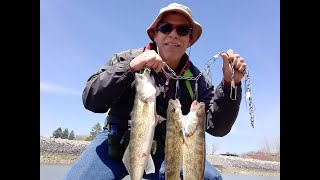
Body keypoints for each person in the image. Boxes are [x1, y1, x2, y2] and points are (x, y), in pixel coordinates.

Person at [63, 2, 246, 180]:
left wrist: (231, 84)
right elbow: (91, 100)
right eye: (166, 28)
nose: (173, 35)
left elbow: (217, 127)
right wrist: (130, 68)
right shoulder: (126, 59)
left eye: (182, 30)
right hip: (115, 143)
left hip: (168, 149)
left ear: (189, 40)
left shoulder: (198, 81)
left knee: (210, 177)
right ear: (155, 35)